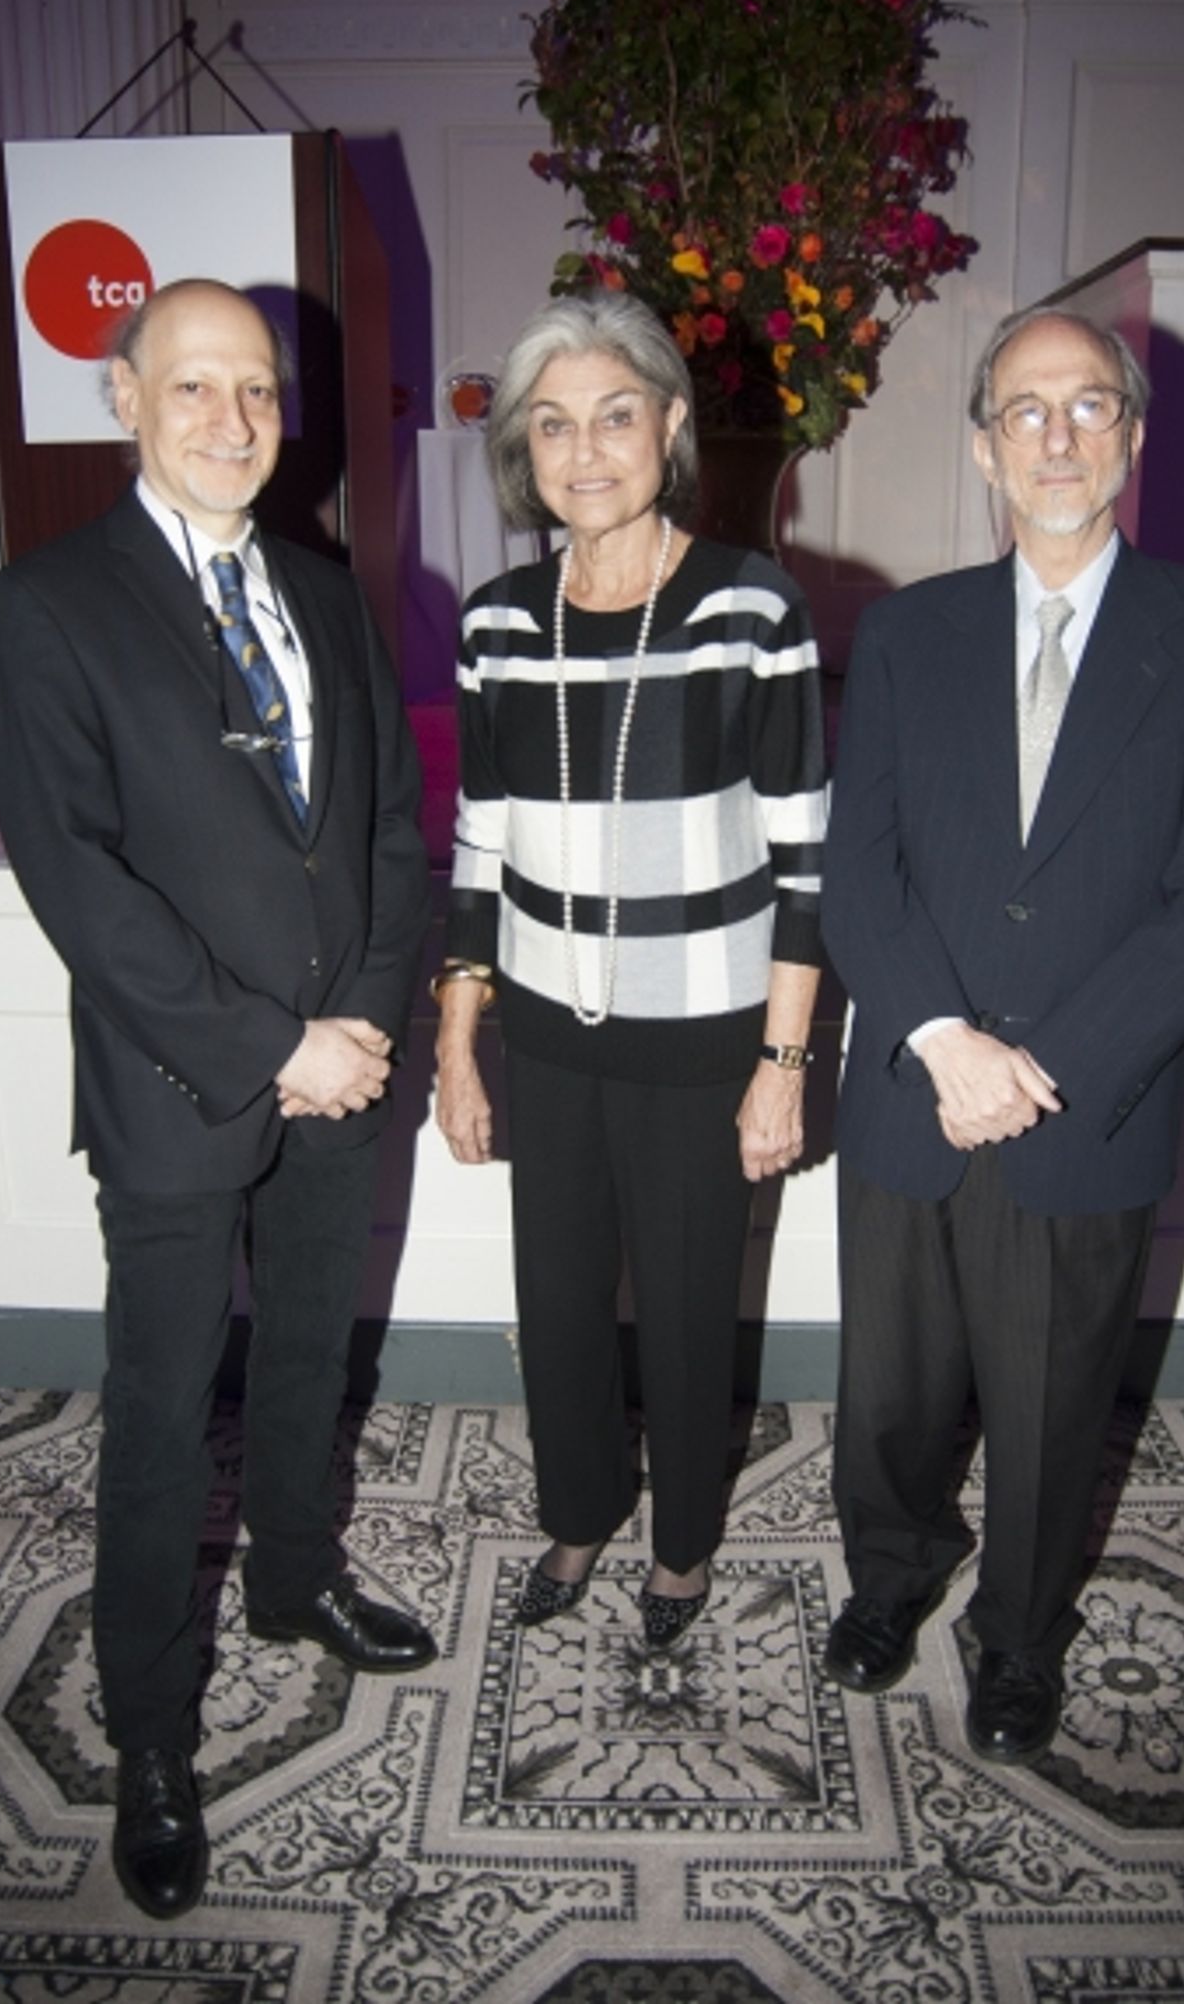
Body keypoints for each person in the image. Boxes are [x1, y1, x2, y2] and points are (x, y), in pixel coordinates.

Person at [0, 279, 437, 1921]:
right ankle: (152, 1733)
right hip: (185, 1086)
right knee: (164, 1414)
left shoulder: (327, 592)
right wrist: (272, 1044)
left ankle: (301, 1582)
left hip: (343, 1074)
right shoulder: (49, 601)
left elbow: (389, 835)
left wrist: (366, 1022)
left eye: (254, 388)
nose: (233, 419)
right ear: (124, 398)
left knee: (313, 1354)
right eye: (194, 387)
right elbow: (80, 887)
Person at [821, 307, 1184, 1766]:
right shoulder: (904, 631)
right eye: (1026, 412)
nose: (1059, 438)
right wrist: (945, 1037)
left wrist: (1044, 1066)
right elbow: (860, 867)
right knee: (888, 1391)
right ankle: (891, 1577)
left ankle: (1020, 1637)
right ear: (982, 446)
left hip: (1086, 1107)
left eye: (1090, 409)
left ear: (1136, 439)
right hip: (913, 1086)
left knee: (1048, 1404)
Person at [434, 293, 826, 1649]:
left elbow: (805, 861)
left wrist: (782, 1067)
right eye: (552, 425)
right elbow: (477, 846)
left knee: (682, 1301)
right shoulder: (495, 622)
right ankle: (581, 1511)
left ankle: (685, 1548)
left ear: (667, 429)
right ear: (523, 452)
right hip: (545, 1029)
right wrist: (457, 1042)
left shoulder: (749, 605)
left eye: (614, 416)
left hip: (704, 1031)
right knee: (556, 1307)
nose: (583, 449)